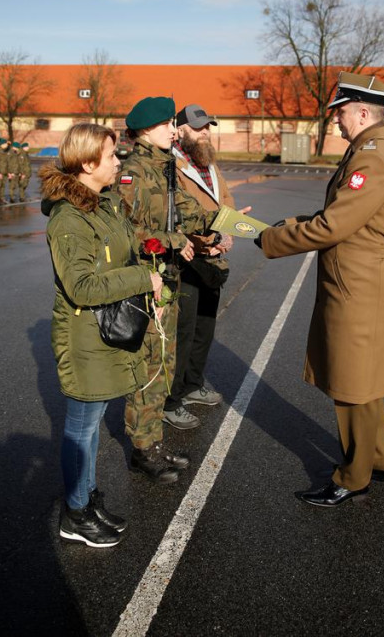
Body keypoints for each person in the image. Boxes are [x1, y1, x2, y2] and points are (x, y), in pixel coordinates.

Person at [254, 71, 384, 508]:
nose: (335, 121)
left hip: (358, 286)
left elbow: (335, 224)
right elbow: (342, 213)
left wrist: (272, 239)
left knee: (352, 384)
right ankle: (381, 459)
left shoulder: (371, 159)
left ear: (362, 111)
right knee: (367, 379)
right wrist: (293, 224)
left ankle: (352, 477)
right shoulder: (371, 151)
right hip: (364, 281)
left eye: (339, 112)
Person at [39, 123, 163, 547]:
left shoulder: (103, 203)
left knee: (90, 429)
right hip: (86, 338)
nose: (117, 162)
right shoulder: (69, 218)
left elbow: (122, 254)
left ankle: (87, 498)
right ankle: (74, 514)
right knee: (80, 430)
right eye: (111, 156)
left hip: (106, 334)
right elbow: (82, 287)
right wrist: (142, 278)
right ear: (88, 162)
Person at [115, 96, 219, 483]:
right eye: (165, 125)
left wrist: (226, 227)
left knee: (165, 363)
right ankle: (143, 448)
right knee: (147, 365)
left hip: (168, 279)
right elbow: (125, 233)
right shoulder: (132, 173)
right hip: (145, 280)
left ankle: (154, 440)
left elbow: (190, 212)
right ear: (146, 130)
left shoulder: (166, 167)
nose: (173, 130)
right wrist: (173, 239)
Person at [163, 104, 235, 430]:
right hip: (187, 258)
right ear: (179, 130)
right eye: (198, 127)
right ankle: (171, 399)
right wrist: (210, 239)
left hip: (212, 256)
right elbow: (179, 215)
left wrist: (228, 231)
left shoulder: (208, 162)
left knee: (205, 327)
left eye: (208, 127)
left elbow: (226, 199)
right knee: (183, 332)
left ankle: (193, 384)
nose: (205, 132)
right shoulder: (172, 166)